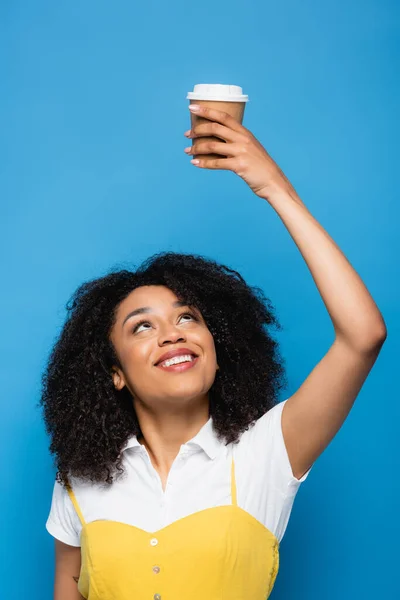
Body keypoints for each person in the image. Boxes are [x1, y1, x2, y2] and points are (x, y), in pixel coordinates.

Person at [42, 104, 387, 600]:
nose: (173, 333)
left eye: (187, 317)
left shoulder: (266, 452)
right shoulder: (79, 472)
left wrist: (274, 187)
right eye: (143, 327)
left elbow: (363, 335)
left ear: (218, 351)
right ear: (114, 373)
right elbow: (68, 582)